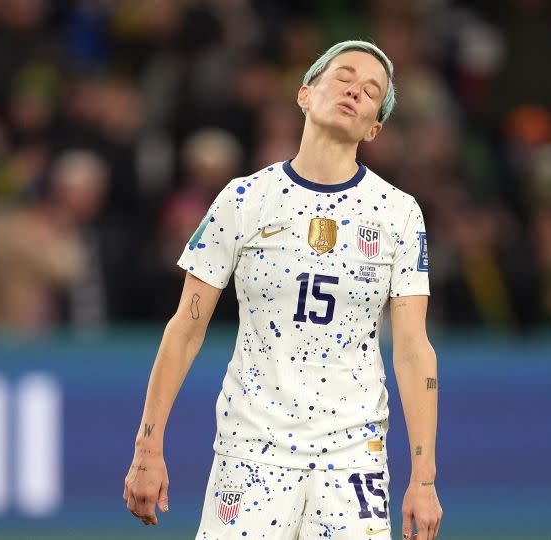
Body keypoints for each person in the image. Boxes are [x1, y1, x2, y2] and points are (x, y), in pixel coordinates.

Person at [123, 40, 443, 540]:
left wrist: (423, 480)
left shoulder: (398, 213)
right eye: (343, 76)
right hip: (251, 450)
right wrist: (148, 447)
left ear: (374, 127)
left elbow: (413, 349)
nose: (356, 90)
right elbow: (185, 327)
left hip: (352, 457)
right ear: (304, 93)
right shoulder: (244, 199)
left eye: (371, 90)